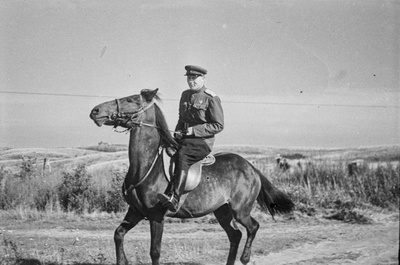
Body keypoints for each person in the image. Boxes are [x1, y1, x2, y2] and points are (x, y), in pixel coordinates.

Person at [157, 65, 224, 212]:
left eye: (195, 78)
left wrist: (194, 130)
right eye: (189, 78)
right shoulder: (185, 95)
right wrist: (177, 133)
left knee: (182, 155)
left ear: (203, 78)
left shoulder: (211, 98)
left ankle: (174, 197)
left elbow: (218, 125)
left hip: (202, 142)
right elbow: (182, 118)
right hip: (185, 138)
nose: (191, 81)